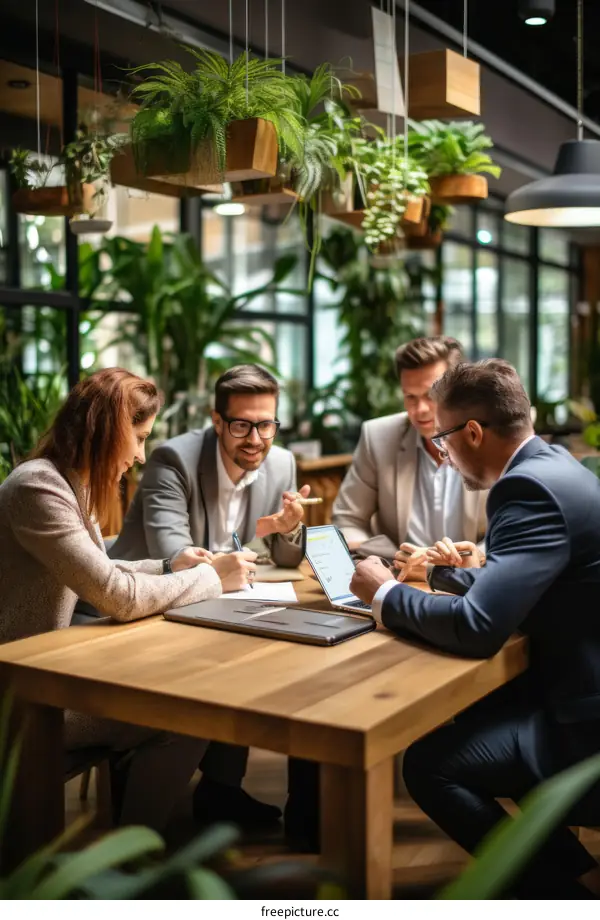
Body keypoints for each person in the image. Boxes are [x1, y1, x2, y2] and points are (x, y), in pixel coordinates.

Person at [350, 359, 600, 898]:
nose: (442, 453)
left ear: (474, 433)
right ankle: (581, 874)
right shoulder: (558, 464)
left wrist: (383, 594)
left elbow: (479, 627)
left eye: (442, 438)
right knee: (476, 709)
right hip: (578, 678)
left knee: (429, 764)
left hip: (587, 724)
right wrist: (442, 574)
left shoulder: (526, 489)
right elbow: (537, 588)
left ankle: (564, 898)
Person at [0, 367, 257, 832]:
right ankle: (136, 863)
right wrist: (211, 578)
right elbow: (115, 597)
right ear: (105, 432)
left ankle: (135, 844)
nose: (139, 455)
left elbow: (101, 575)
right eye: (137, 438)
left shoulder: (70, 483)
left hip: (47, 677)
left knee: (193, 692)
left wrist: (167, 567)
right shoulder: (37, 488)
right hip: (21, 698)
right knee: (193, 709)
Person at [109, 363, 308, 828]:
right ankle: (158, 801)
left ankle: (221, 793)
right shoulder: (171, 460)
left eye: (266, 424)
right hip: (141, 610)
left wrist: (288, 527)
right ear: (216, 421)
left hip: (215, 605)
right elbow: (172, 554)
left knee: (258, 651)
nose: (256, 439)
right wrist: (234, 558)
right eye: (241, 425)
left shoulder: (281, 462)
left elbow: (285, 555)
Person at [332, 336, 487, 581]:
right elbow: (348, 518)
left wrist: (476, 558)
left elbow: (512, 532)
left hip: (473, 583)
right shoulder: (379, 437)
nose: (420, 409)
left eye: (431, 395)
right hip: (399, 581)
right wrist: (381, 563)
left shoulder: (489, 439)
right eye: (410, 397)